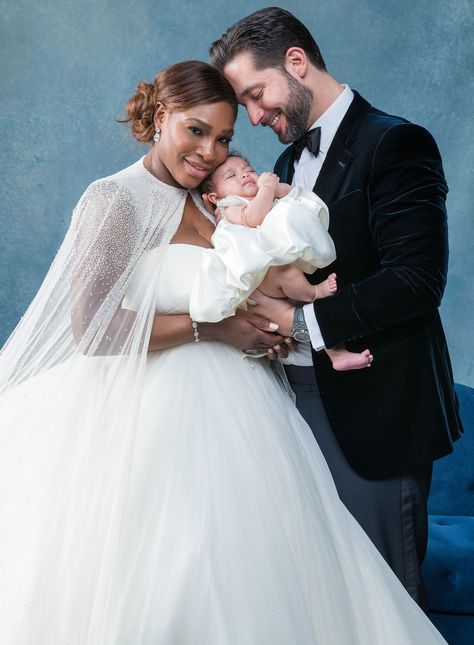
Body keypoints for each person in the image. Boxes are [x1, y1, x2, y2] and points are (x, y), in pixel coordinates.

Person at [0, 60, 448, 644]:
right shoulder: (113, 200)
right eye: (196, 130)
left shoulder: (215, 203)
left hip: (245, 409)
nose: (210, 151)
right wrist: (214, 330)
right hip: (148, 416)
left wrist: (280, 323)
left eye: (224, 138)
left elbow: (255, 282)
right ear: (161, 117)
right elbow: (94, 328)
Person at [210, 6, 464, 606]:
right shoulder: (282, 165)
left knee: (385, 600)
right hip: (291, 409)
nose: (254, 115)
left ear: (296, 63)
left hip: (376, 411)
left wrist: (301, 321)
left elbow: (417, 280)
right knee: (322, 596)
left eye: (257, 93)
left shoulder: (396, 142)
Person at [200, 153, 373, 371]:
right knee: (286, 281)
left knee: (313, 311)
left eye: (248, 168)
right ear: (216, 198)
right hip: (261, 278)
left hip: (284, 274)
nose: (244, 174)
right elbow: (253, 218)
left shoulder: (267, 194)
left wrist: (280, 189)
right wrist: (267, 189)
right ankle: (314, 292)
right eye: (232, 175)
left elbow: (297, 199)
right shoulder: (230, 207)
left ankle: (337, 354)